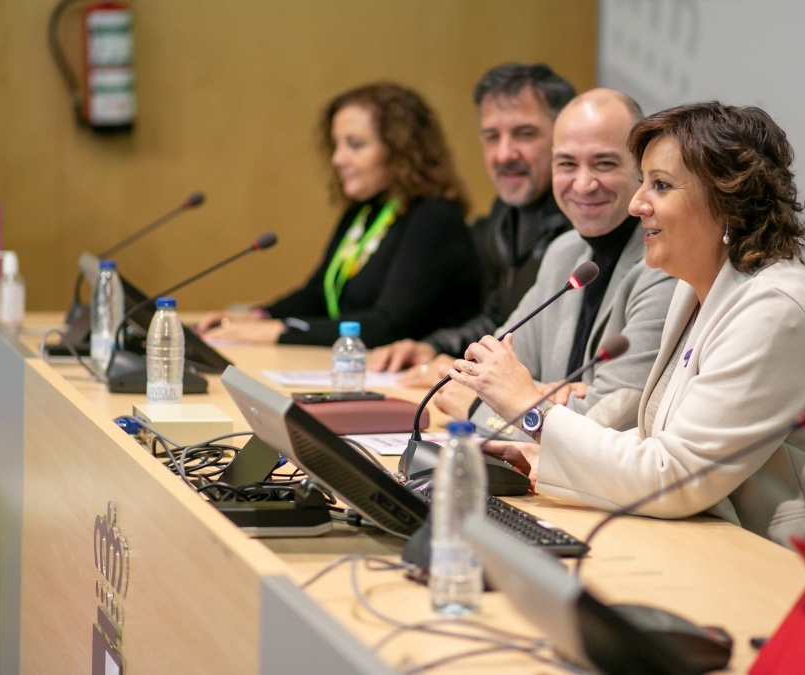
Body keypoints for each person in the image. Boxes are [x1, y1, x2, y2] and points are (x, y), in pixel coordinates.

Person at [452, 101, 805, 551]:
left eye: (660, 185)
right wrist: (548, 455)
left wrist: (532, 409)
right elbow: (663, 443)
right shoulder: (697, 289)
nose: (637, 203)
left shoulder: (775, 311)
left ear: (728, 201)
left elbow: (673, 477)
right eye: (643, 181)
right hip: (724, 544)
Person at [434, 89, 676, 440]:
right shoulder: (564, 252)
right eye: (567, 164)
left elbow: (601, 426)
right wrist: (536, 396)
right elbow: (486, 369)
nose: (583, 184)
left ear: (641, 169)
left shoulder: (666, 265)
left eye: (604, 163)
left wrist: (483, 407)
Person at [197, 82, 480, 347]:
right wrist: (258, 317)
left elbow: (387, 325)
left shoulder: (434, 218)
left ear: (400, 150)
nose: (337, 159)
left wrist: (281, 332)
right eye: (336, 145)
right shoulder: (364, 211)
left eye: (355, 145)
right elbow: (318, 294)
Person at [367, 63, 575, 382]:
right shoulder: (503, 213)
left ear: (564, 137)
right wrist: (433, 347)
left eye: (525, 134)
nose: (504, 154)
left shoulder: (585, 221)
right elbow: (498, 319)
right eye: (492, 136)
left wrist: (468, 372)